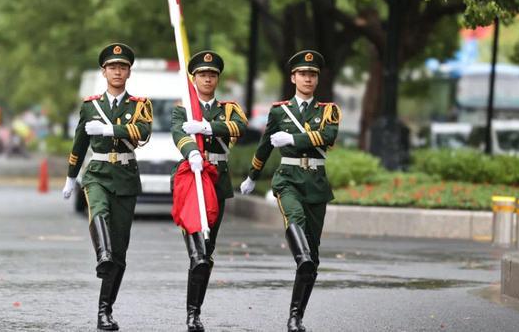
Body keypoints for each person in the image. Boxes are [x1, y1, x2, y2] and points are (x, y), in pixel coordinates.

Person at [239, 50, 341, 332]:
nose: (308, 78)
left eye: (313, 74)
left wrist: (294, 137)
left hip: (316, 182)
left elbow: (329, 136)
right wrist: (252, 176)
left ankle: (296, 316)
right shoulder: (279, 111)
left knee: (314, 258)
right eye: (303, 74)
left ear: (317, 79)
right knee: (294, 220)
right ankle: (302, 257)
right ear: (293, 77)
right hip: (288, 179)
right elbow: (265, 146)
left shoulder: (327, 111)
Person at [62, 43, 153, 331]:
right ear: (104, 72)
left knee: (121, 252)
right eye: (112, 67)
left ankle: (105, 310)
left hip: (125, 175)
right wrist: (70, 175)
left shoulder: (139, 105)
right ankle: (102, 254)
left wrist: (111, 130)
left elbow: (144, 133)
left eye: (122, 67)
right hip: (98, 172)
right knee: (98, 210)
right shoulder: (90, 106)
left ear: (128, 72)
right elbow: (79, 142)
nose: (117, 71)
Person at [171, 51, 248, 332]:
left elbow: (239, 126)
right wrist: (192, 151)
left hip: (216, 181)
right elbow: (178, 133)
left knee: (208, 249)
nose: (207, 78)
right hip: (192, 178)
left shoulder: (228, 109)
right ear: (194, 78)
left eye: (212, 74)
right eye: (202, 74)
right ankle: (192, 315)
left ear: (217, 79)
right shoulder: (184, 108)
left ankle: (195, 311)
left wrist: (206, 126)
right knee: (198, 253)